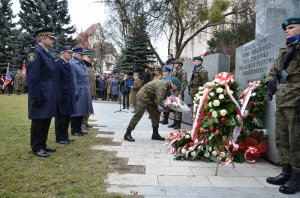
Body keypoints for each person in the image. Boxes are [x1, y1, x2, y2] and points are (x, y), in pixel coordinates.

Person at [265, 17, 300, 195]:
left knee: (296, 140)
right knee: (282, 138)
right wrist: (270, 81)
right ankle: (286, 172)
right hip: (282, 99)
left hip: (297, 100)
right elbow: (273, 71)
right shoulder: (284, 49)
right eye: (285, 28)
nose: (287, 30)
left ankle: (296, 176)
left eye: (292, 27)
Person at [26, 28, 58, 157]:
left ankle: (43, 144)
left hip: (49, 93)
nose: (53, 41)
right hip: (40, 93)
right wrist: (35, 96)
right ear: (43, 39)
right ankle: (36, 147)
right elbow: (33, 77)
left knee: (46, 119)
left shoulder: (48, 53)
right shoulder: (35, 53)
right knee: (39, 120)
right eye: (51, 38)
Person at [124, 77, 181, 142]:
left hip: (150, 98)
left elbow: (167, 98)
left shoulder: (167, 86)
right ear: (172, 83)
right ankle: (127, 133)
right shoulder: (163, 86)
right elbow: (161, 101)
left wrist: (175, 103)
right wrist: (170, 109)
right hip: (142, 97)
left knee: (156, 113)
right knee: (138, 114)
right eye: (176, 86)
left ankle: (155, 134)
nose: (176, 88)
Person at [54, 46, 77, 144]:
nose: (71, 55)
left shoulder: (67, 64)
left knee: (67, 117)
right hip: (62, 96)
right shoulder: (58, 64)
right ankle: (60, 138)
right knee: (61, 118)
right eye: (69, 53)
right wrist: (58, 96)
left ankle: (65, 136)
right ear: (62, 53)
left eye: (72, 53)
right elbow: (57, 82)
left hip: (69, 95)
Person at [70, 47, 94, 136]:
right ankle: (74, 130)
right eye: (80, 54)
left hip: (84, 89)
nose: (82, 56)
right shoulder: (73, 63)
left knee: (82, 110)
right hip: (78, 90)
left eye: (82, 55)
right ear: (75, 54)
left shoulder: (81, 63)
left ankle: (79, 128)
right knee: (76, 111)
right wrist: (75, 91)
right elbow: (73, 79)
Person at [168, 59, 188, 129]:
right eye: (174, 64)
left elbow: (184, 82)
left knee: (179, 107)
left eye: (176, 63)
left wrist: (181, 93)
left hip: (179, 91)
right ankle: (174, 122)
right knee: (174, 106)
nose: (175, 65)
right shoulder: (174, 71)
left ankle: (178, 123)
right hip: (174, 91)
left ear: (179, 64)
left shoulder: (183, 72)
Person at [82, 50, 95, 129]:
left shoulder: (90, 66)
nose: (90, 58)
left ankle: (86, 121)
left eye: (90, 57)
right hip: (86, 90)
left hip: (91, 90)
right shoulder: (83, 65)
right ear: (84, 57)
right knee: (84, 107)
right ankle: (82, 123)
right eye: (88, 57)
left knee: (89, 108)